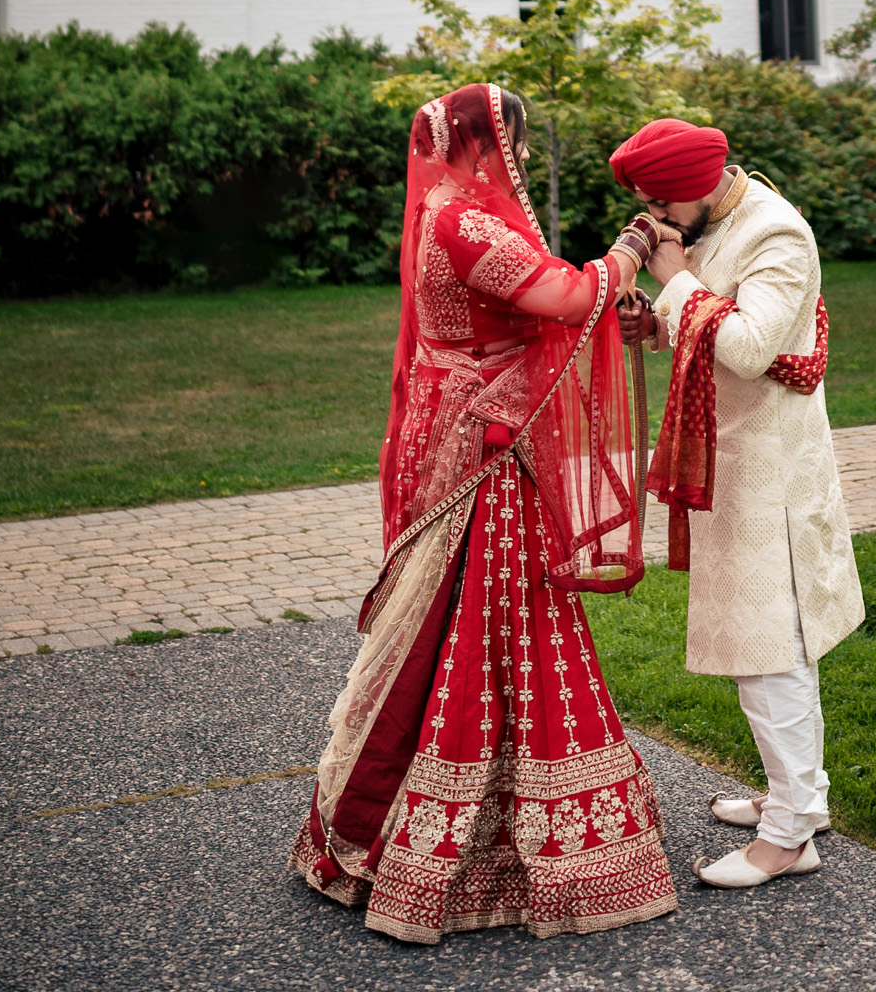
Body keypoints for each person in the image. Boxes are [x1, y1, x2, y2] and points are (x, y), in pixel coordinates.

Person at [290, 81, 678, 944]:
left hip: (486, 439)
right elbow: (566, 300)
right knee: (491, 621)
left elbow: (533, 310)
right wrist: (633, 243)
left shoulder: (453, 213)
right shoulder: (464, 222)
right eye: (516, 144)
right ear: (483, 143)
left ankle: (418, 822)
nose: (522, 160)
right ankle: (460, 842)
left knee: (467, 621)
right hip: (484, 456)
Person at [610, 116, 864, 890]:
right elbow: (713, 326)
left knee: (767, 650)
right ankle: (799, 799)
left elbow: (751, 348)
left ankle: (789, 837)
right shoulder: (717, 221)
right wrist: (655, 325)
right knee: (769, 645)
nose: (651, 218)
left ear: (694, 187)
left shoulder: (777, 234)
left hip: (770, 476)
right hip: (734, 461)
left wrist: (672, 276)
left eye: (658, 202)